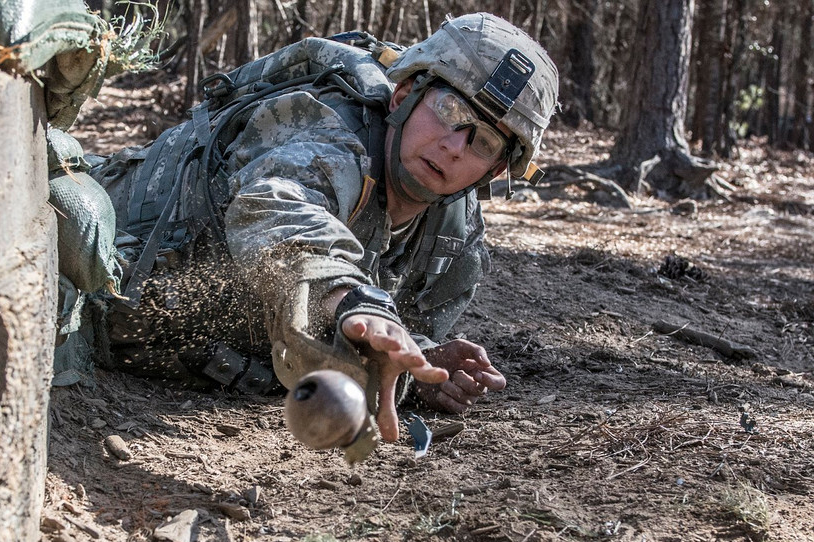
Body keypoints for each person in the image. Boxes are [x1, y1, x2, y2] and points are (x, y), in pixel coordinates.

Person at [66, 13, 558, 445]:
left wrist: (422, 366)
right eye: (450, 111)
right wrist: (347, 294)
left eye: (485, 141)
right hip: (102, 241)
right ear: (405, 95)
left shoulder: (455, 246)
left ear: (494, 172)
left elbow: (377, 343)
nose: (454, 145)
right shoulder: (327, 133)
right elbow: (274, 205)